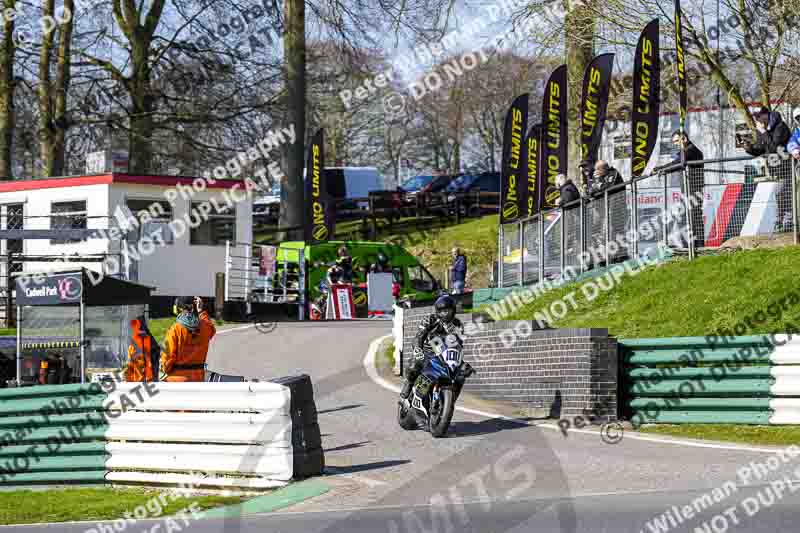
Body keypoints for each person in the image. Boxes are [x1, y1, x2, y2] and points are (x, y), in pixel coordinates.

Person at [399, 295, 472, 400]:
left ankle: (450, 400)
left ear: (453, 311)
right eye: (442, 311)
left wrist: (461, 362)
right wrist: (418, 350)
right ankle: (409, 384)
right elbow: (419, 337)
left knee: (462, 373)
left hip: (445, 356)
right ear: (438, 312)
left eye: (448, 311)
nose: (445, 314)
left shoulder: (457, 324)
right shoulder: (430, 320)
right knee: (415, 364)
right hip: (427, 353)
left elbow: (458, 345)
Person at [653, 131, 705, 248]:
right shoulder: (687, 150)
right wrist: (662, 168)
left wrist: (662, 168)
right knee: (687, 218)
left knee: (693, 217)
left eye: (677, 141)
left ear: (684, 138)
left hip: (694, 189)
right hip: (688, 189)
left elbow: (678, 163)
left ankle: (696, 246)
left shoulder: (690, 150)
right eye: (674, 142)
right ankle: (691, 245)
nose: (675, 144)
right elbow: (677, 162)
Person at [747, 106, 793, 232]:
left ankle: (788, 221)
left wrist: (764, 133)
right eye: (755, 117)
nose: (757, 119)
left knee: (784, 193)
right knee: (777, 195)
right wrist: (748, 148)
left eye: (758, 116)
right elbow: (760, 149)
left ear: (766, 115)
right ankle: (780, 221)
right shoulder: (762, 130)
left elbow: (774, 147)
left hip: (784, 165)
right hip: (773, 168)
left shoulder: (780, 127)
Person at [160, 296, 216, 382]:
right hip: (198, 379)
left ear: (177, 309)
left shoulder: (175, 329)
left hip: (176, 380)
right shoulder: (205, 327)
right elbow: (211, 329)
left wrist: (165, 370)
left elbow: (167, 358)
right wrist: (201, 311)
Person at [125, 314, 161, 382]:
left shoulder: (135, 341)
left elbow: (131, 362)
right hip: (148, 379)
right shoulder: (150, 340)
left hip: (140, 380)